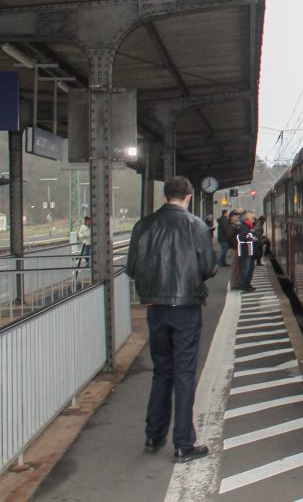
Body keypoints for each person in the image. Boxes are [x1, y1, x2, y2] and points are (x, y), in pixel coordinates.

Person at [125, 176, 217, 463]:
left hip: (156, 308)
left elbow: (131, 268)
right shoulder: (197, 226)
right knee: (184, 374)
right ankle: (183, 444)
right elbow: (209, 268)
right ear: (189, 196)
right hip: (186, 308)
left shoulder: (144, 225)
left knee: (161, 371)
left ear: (165, 196)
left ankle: (154, 434)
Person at [236, 211, 257, 292]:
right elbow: (242, 237)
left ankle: (247, 284)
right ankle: (244, 285)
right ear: (248, 219)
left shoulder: (248, 227)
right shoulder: (244, 227)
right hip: (245, 251)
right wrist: (252, 238)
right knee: (246, 269)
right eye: (253, 218)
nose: (254, 220)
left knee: (250, 268)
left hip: (250, 251)